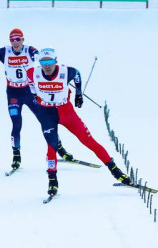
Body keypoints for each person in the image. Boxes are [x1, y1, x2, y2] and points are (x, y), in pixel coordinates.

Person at [26, 48, 132, 197]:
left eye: (50, 62)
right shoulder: (33, 73)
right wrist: (34, 96)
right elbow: (30, 83)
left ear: (56, 61)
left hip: (66, 112)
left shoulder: (66, 71)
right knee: (51, 147)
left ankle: (115, 171)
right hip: (47, 113)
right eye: (44, 62)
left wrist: (78, 94)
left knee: (88, 140)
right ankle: (52, 181)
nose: (47, 66)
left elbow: (77, 74)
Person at [0, 29, 72, 173]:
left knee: (46, 121)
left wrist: (39, 60)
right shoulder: (4, 52)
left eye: (18, 39)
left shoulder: (29, 50)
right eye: (12, 39)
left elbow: (38, 55)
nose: (15, 42)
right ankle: (16, 155)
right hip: (13, 93)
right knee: (16, 123)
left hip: (29, 92)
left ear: (23, 39)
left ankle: (59, 148)